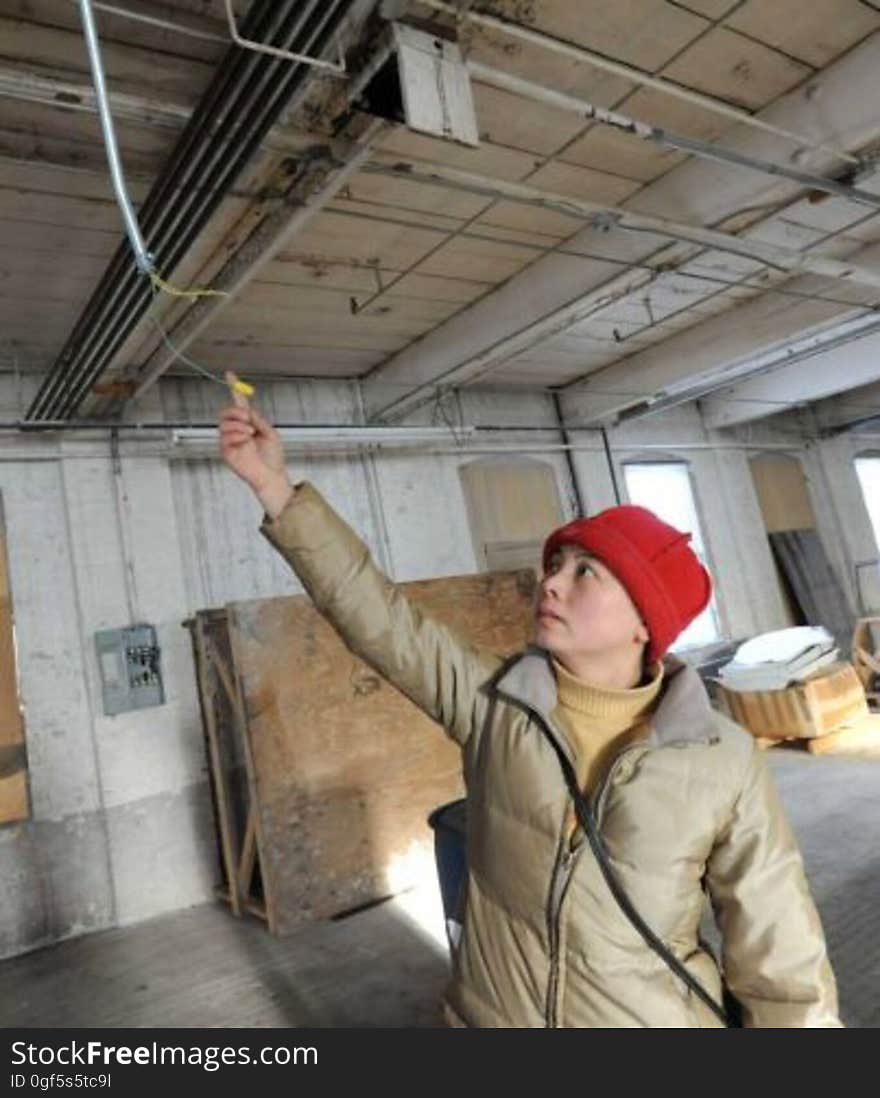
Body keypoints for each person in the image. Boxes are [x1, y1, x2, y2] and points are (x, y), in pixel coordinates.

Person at [219, 386, 840, 1029]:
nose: (550, 580)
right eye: (556, 564)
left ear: (644, 621)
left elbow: (781, 959)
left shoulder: (722, 761)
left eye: (585, 572)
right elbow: (376, 615)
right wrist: (277, 491)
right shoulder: (496, 707)